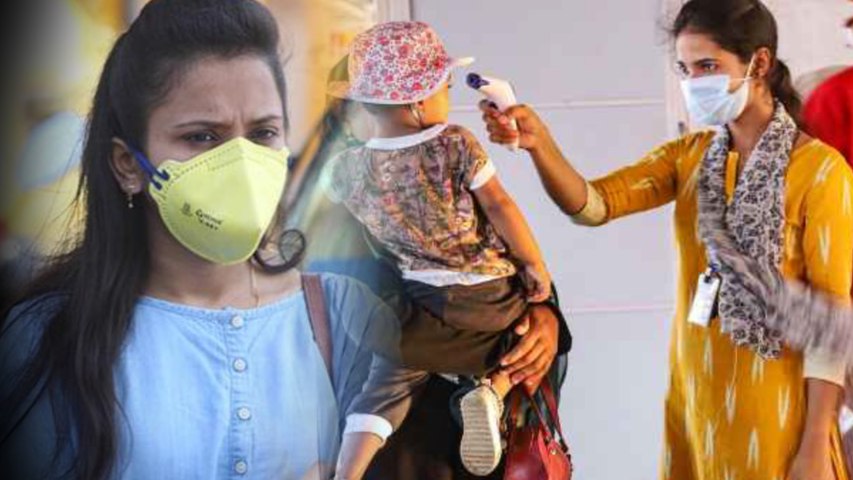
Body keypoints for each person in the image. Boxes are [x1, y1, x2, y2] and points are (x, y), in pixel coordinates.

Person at [0, 1, 409, 478]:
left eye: (263, 133)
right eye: (202, 137)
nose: (242, 165)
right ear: (128, 165)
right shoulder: (48, 338)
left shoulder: (348, 319)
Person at [480, 1, 852, 479]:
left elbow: (831, 325)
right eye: (685, 68)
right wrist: (539, 143)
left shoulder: (820, 171)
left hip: (779, 412)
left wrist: (816, 444)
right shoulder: (690, 157)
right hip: (696, 398)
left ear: (759, 63)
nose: (693, 82)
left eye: (707, 66)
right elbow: (593, 205)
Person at [325, 21, 560, 478]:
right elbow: (500, 205)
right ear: (417, 101)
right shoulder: (454, 144)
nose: (448, 98)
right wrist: (535, 267)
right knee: (514, 338)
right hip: (488, 294)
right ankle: (492, 390)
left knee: (384, 386)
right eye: (445, 88)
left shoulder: (346, 170)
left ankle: (347, 470)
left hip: (423, 299)